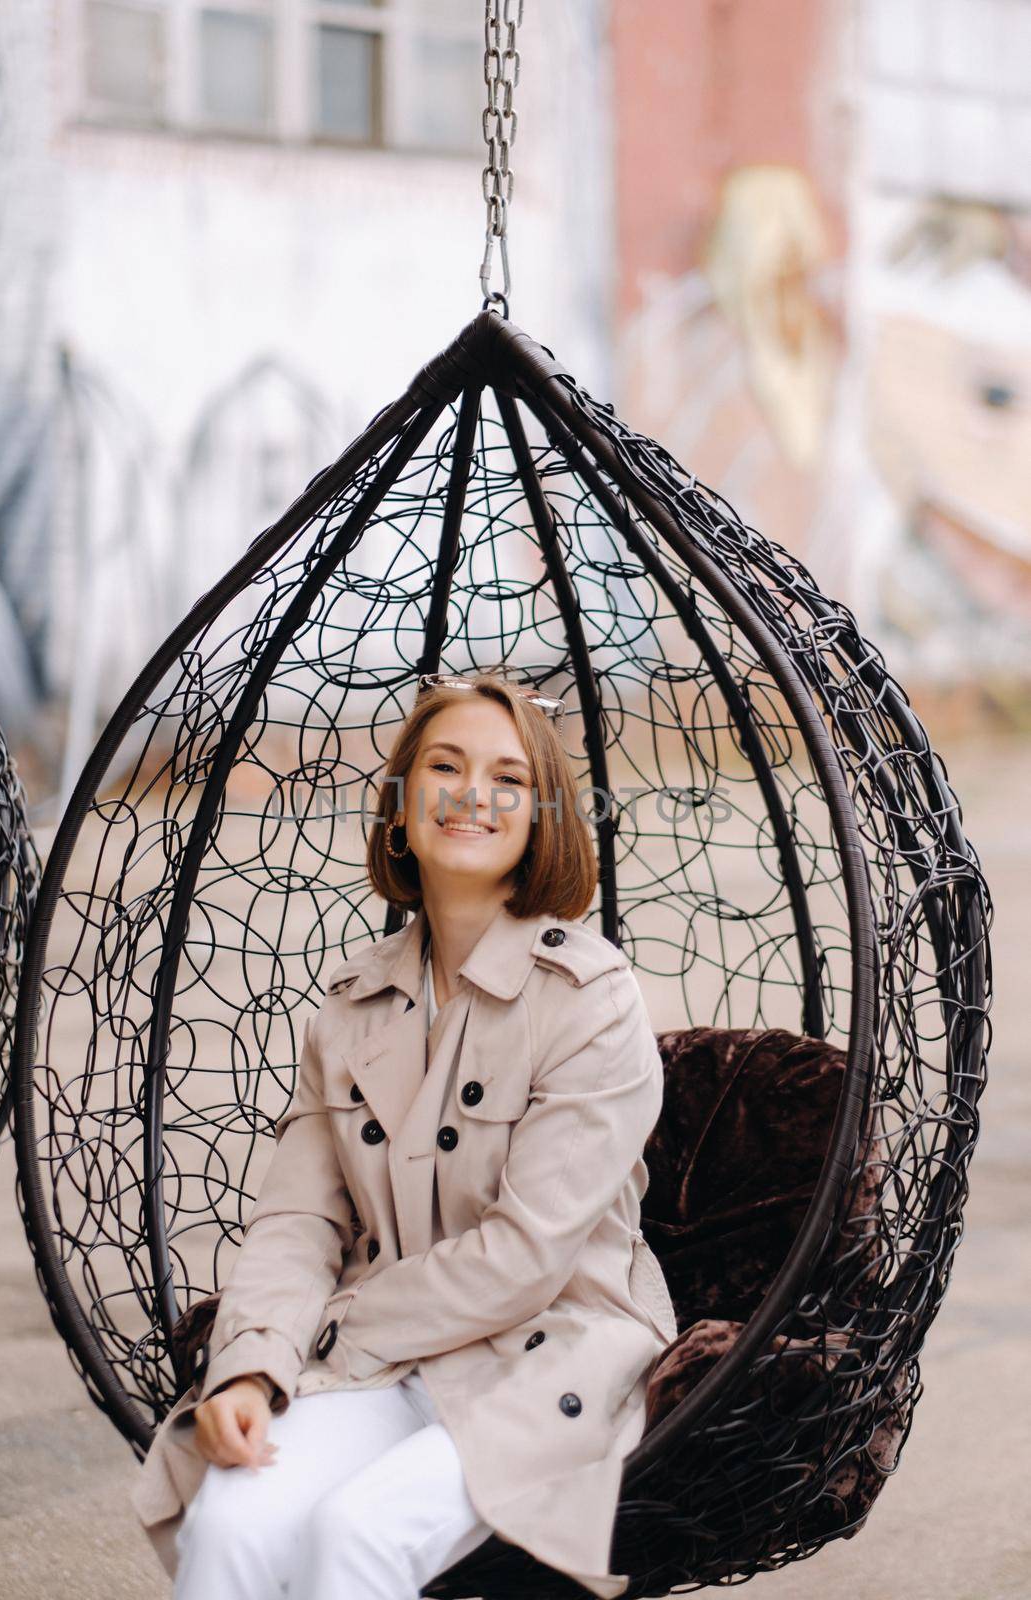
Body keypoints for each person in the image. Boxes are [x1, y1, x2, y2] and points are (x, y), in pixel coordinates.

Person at [132, 668, 678, 1600]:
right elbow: (296, 1224)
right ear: (399, 803)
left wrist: (333, 1330)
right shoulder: (348, 1009)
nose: (473, 793)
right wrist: (253, 1367)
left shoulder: (592, 1002)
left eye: (508, 778)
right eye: (445, 765)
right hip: (390, 1362)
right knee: (229, 1521)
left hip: (545, 1351)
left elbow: (523, 1258)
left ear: (540, 817)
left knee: (357, 1535)